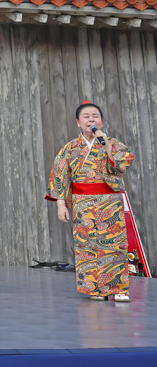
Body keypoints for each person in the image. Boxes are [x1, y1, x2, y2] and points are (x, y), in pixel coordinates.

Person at [47, 101, 135, 302]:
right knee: (86, 245)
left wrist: (106, 146)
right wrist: (61, 204)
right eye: (86, 116)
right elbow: (60, 175)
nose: (91, 119)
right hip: (82, 202)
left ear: (101, 121)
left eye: (95, 116)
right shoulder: (70, 148)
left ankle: (118, 288)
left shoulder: (113, 144)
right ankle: (94, 288)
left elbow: (121, 165)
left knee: (113, 245)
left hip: (109, 200)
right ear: (78, 122)